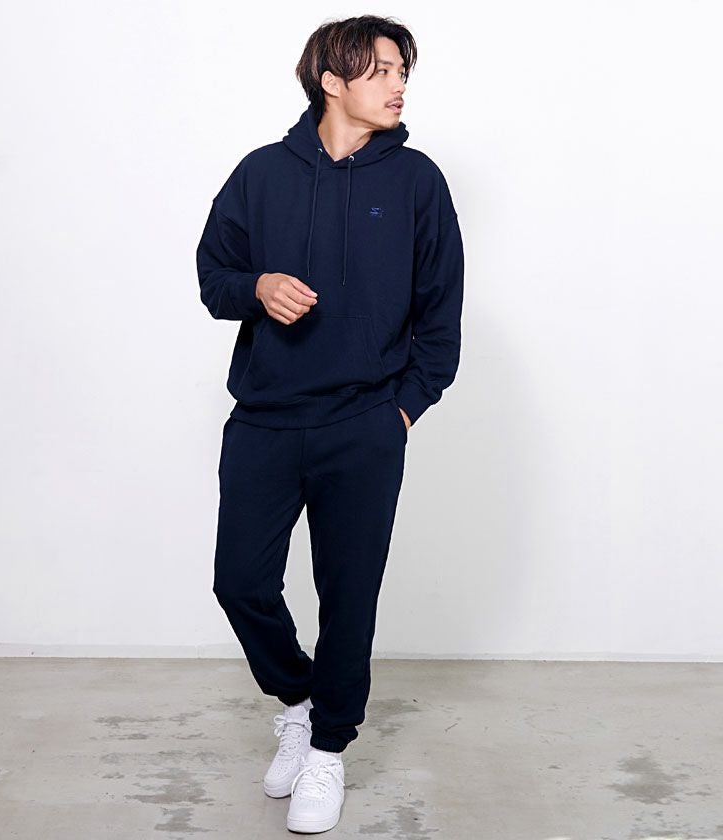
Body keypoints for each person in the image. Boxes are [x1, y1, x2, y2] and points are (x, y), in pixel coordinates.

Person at [196, 14, 464, 834]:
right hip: (267, 420)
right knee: (240, 582)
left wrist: (402, 410)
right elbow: (214, 276)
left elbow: (441, 316)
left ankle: (327, 750)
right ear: (331, 80)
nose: (398, 84)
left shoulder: (417, 181)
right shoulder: (261, 173)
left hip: (365, 425)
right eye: (380, 70)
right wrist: (257, 287)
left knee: (349, 596)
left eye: (403, 71)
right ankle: (300, 700)